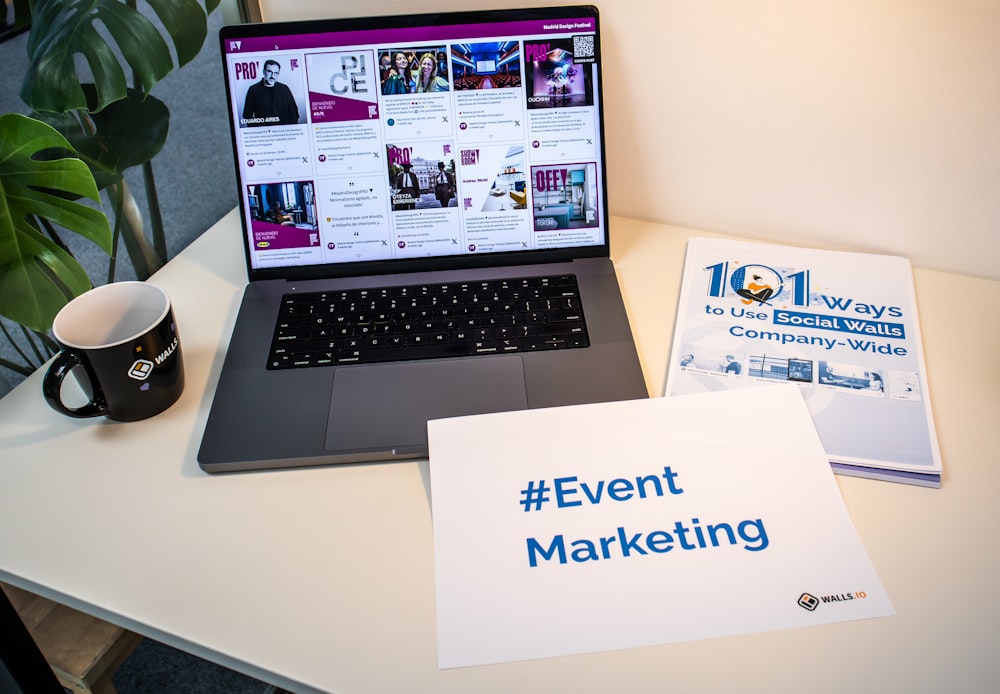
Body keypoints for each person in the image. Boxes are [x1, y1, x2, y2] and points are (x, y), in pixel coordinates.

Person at [242, 59, 299, 126]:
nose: (272, 76)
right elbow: (247, 115)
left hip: (284, 133)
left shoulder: (285, 89)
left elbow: (294, 113)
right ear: (264, 72)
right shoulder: (253, 90)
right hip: (263, 133)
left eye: (275, 73)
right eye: (269, 72)